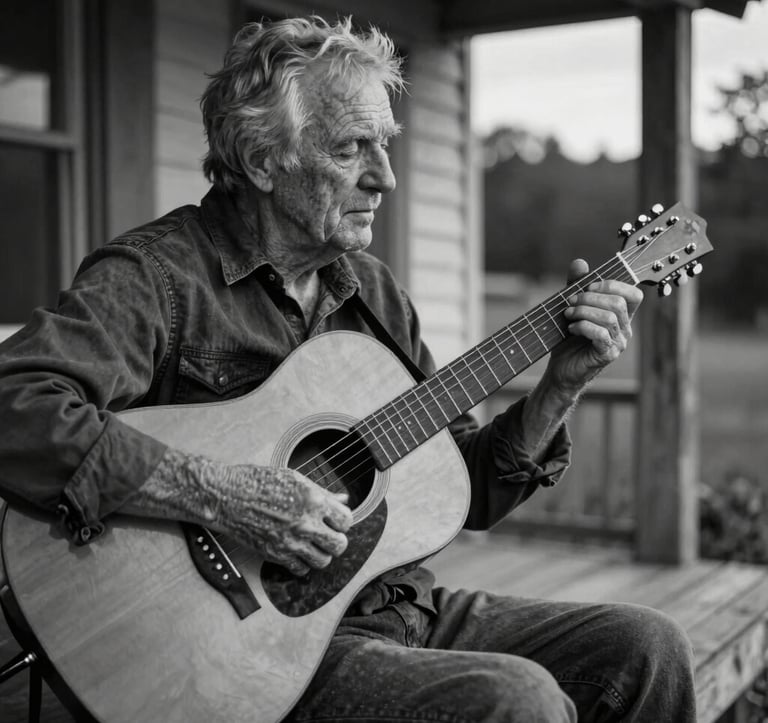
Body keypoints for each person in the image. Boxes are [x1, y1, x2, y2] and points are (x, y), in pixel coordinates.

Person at [0, 15, 695, 723]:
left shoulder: (376, 294)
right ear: (263, 161)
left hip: (394, 607)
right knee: (517, 700)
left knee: (648, 647)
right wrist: (220, 493)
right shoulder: (159, 276)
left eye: (385, 145)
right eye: (351, 149)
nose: (385, 177)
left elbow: (469, 485)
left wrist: (562, 384)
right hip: (251, 649)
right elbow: (16, 404)